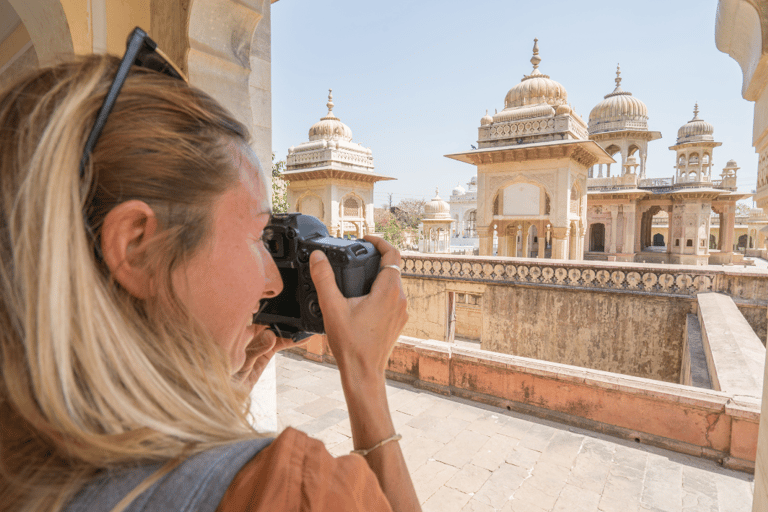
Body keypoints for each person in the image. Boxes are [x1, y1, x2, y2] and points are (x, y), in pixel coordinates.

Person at [0, 29, 419, 512]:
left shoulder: (24, 458)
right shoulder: (286, 492)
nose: (274, 282)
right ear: (137, 247)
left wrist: (216, 396)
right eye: (257, 237)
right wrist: (364, 375)